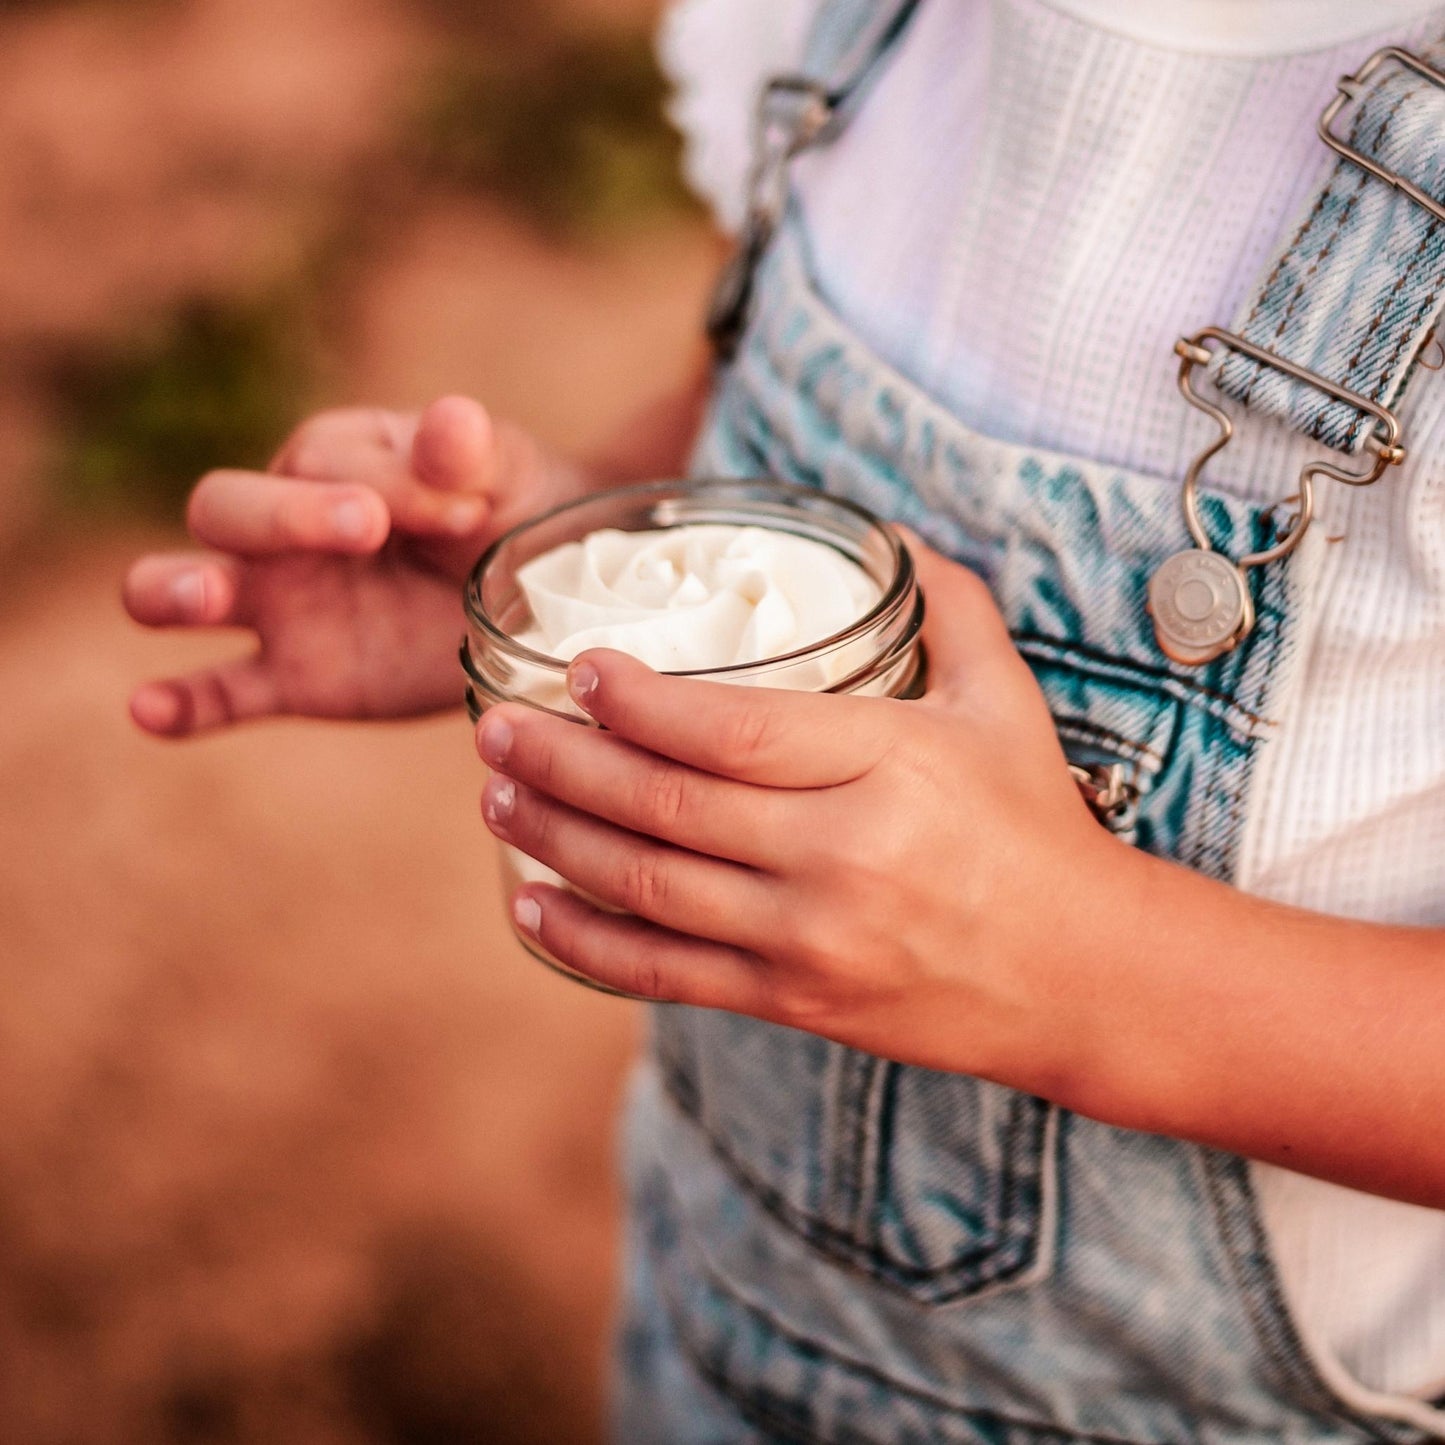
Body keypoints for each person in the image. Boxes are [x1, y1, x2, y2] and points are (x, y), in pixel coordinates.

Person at [125, 0, 1445, 1438]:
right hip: (711, 1327)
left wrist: (1076, 961)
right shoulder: (872, 26)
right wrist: (586, 556)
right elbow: (749, 400)